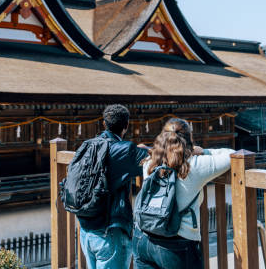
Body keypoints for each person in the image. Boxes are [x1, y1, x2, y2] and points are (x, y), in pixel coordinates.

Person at [132, 118, 235, 268]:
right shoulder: (195, 166)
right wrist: (203, 151)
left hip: (142, 237)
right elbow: (232, 154)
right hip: (177, 244)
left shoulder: (149, 161)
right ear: (188, 139)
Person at [78, 104, 148, 269]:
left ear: (104, 124)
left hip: (86, 229)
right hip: (110, 232)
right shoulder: (125, 150)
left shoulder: (87, 145)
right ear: (126, 126)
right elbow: (160, 157)